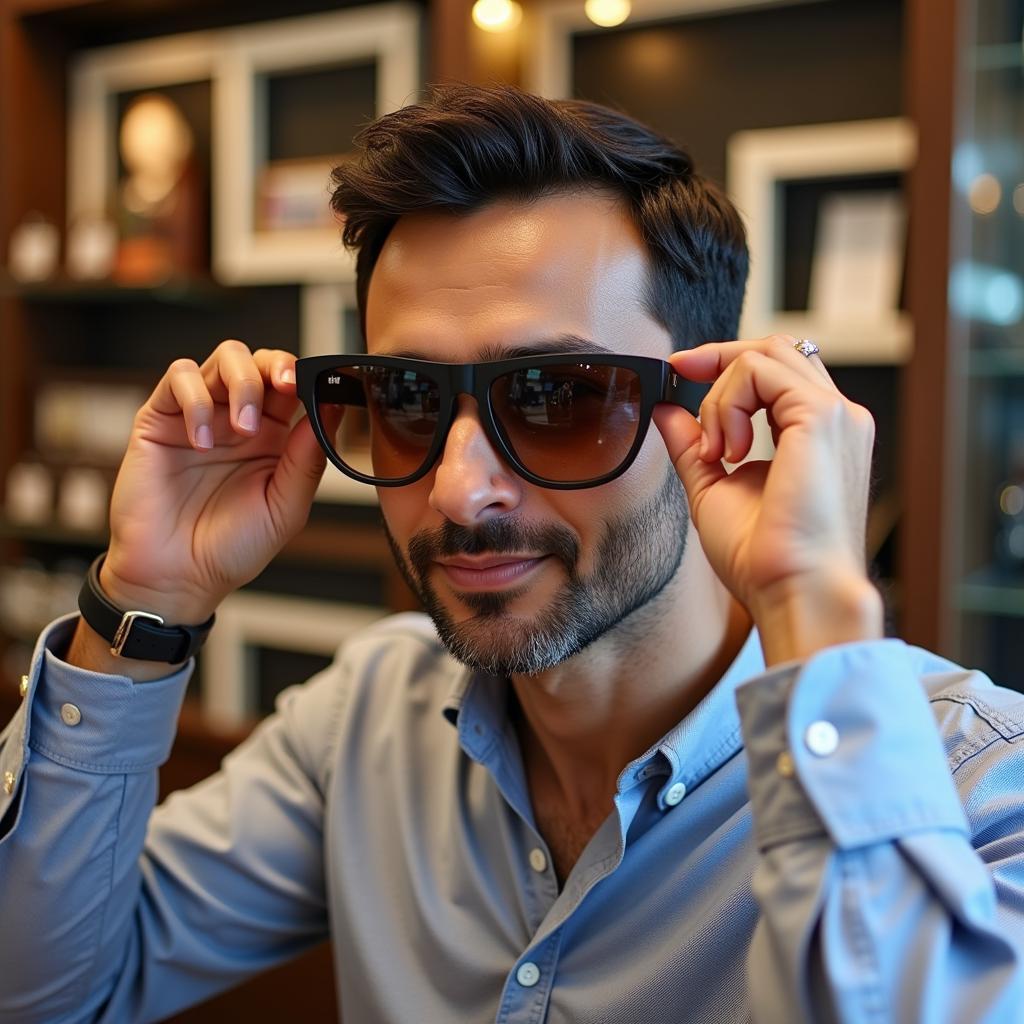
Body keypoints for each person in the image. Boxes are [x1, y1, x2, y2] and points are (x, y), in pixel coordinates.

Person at [1, 84, 1022, 1024]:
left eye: (556, 396)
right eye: (406, 399)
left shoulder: (979, 791)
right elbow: (43, 989)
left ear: (715, 408)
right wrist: (144, 596)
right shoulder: (367, 725)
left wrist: (814, 611)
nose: (457, 490)